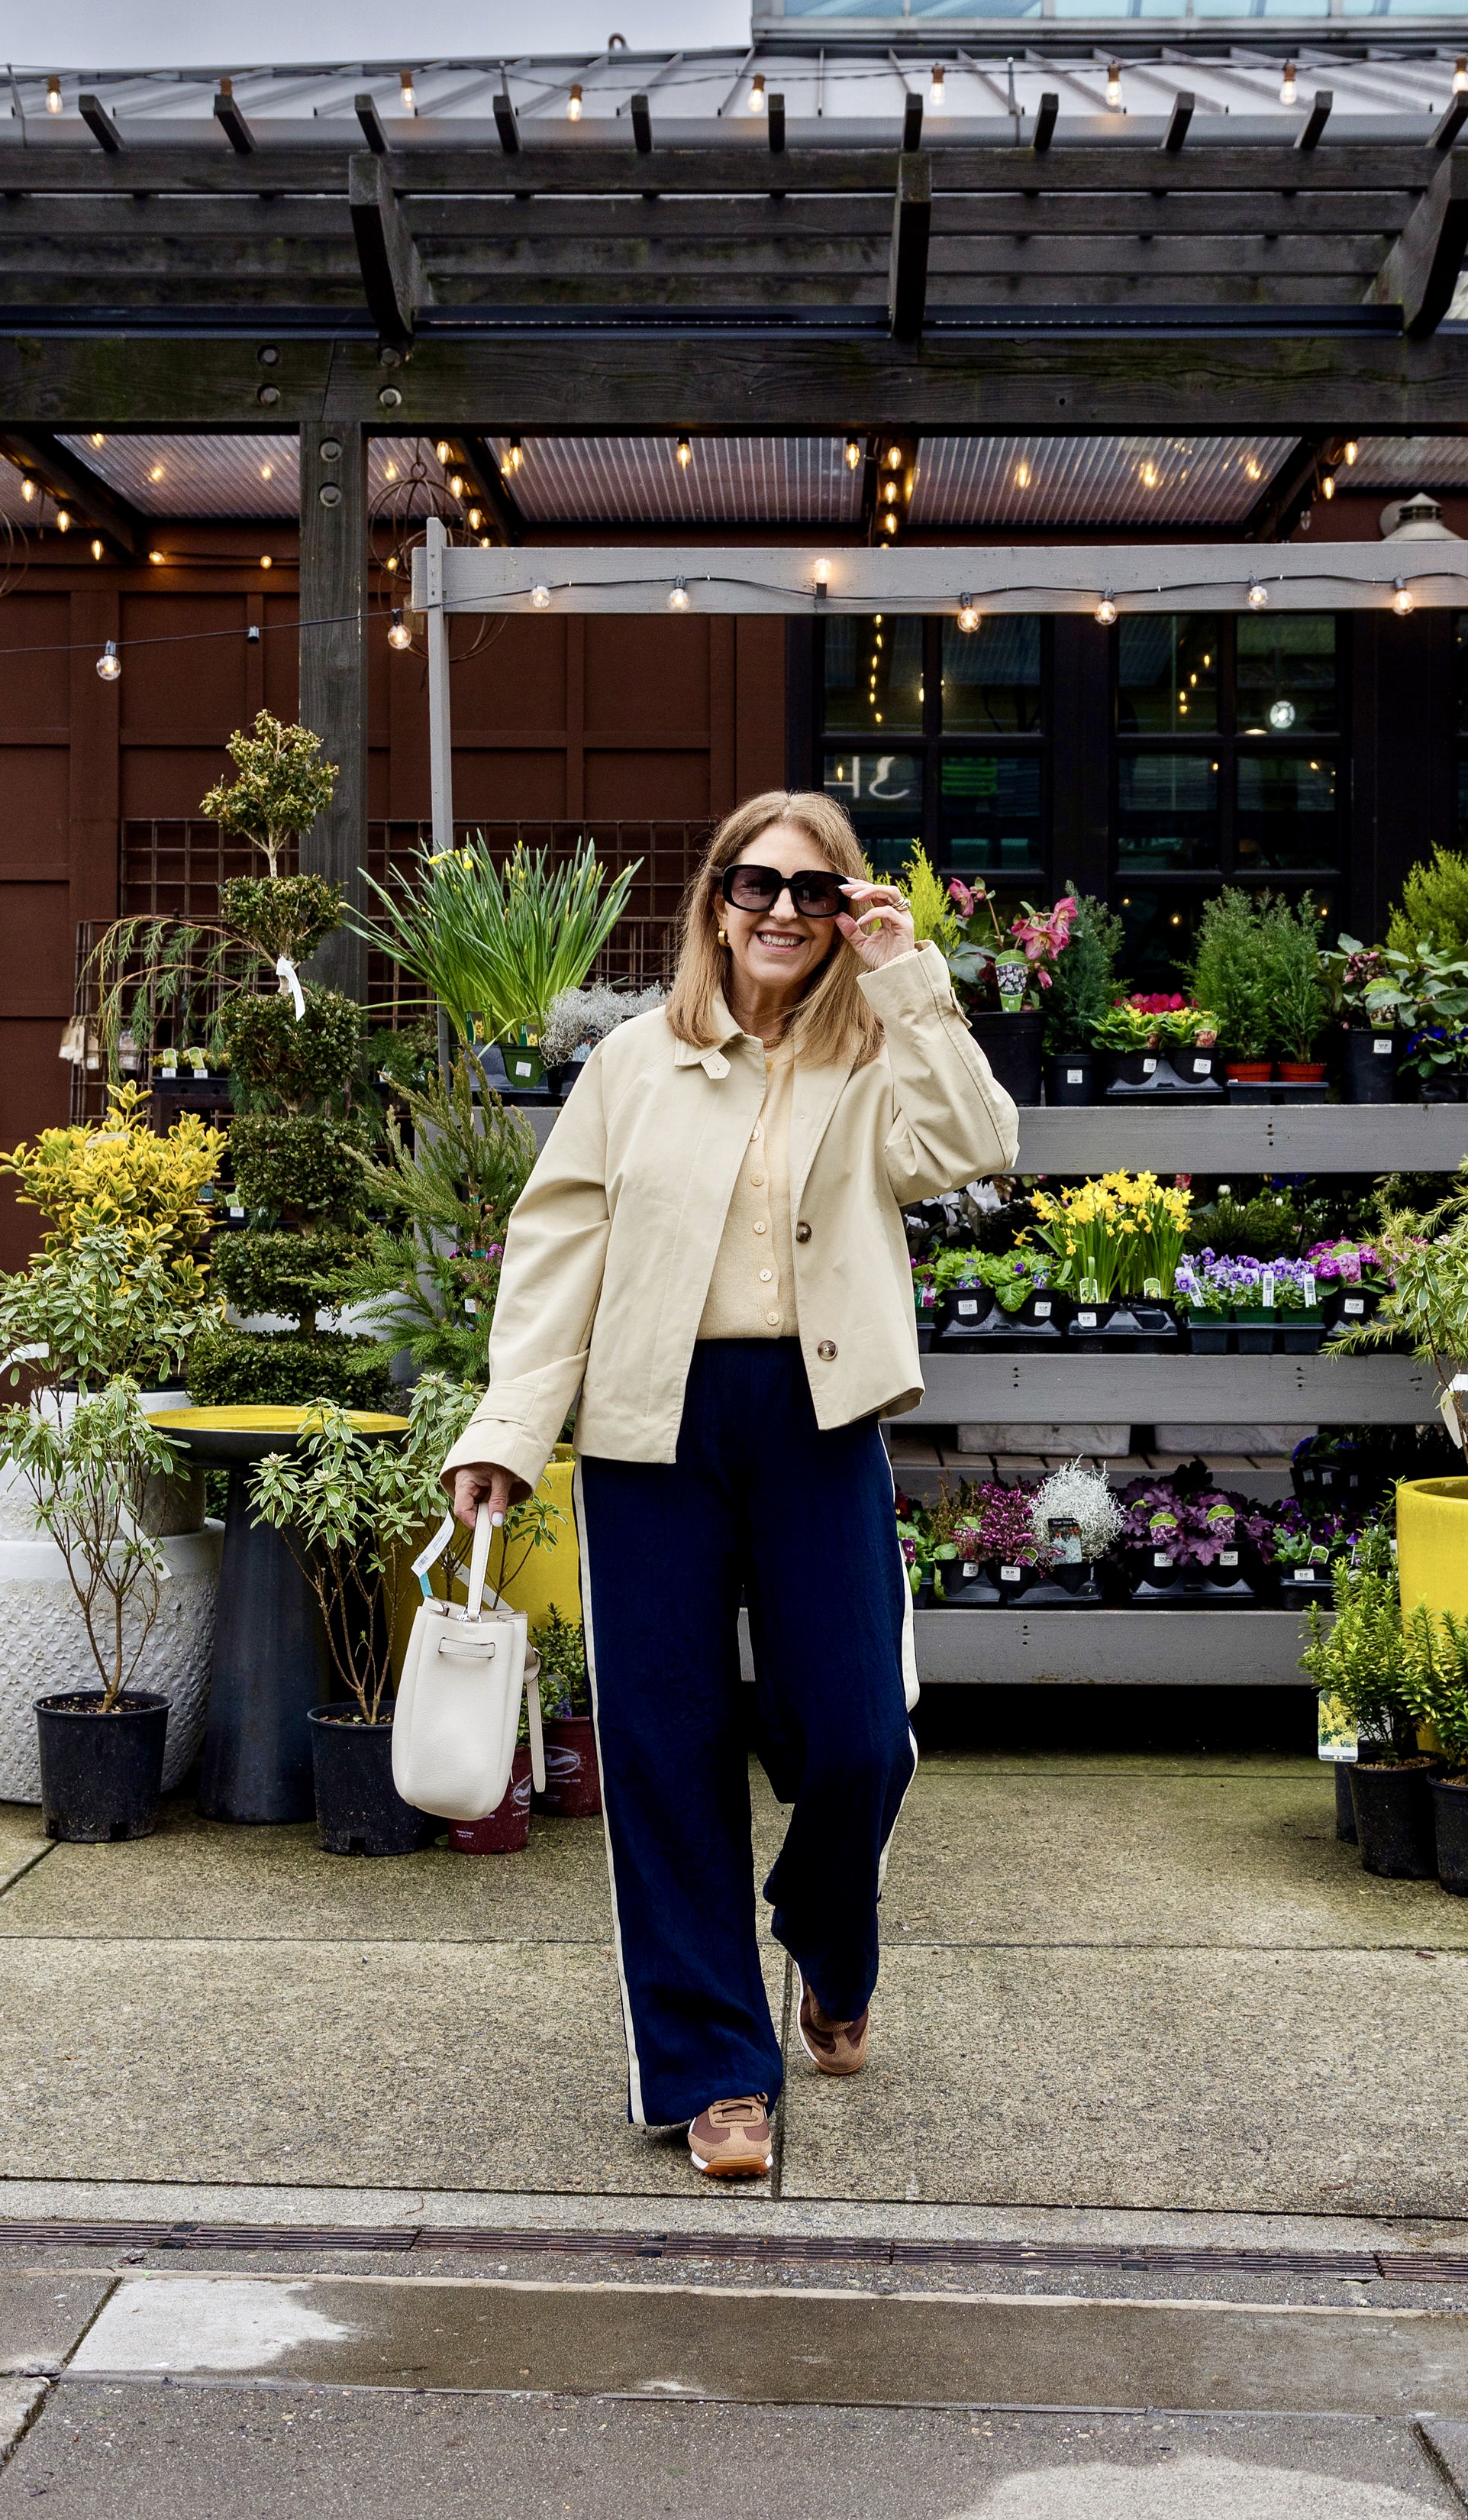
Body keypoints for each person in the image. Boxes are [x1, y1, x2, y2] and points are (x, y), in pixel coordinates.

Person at [444, 790, 1018, 2178]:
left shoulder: (879, 1052)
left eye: (814, 894)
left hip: (816, 1414)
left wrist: (911, 975)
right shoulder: (633, 1067)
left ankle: (829, 1940)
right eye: (755, 887)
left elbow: (977, 1149)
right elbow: (555, 1256)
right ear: (715, 905)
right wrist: (507, 1432)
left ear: (841, 918)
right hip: (653, 1426)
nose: (779, 912)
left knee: (860, 1736)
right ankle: (715, 2070)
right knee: (664, 1750)